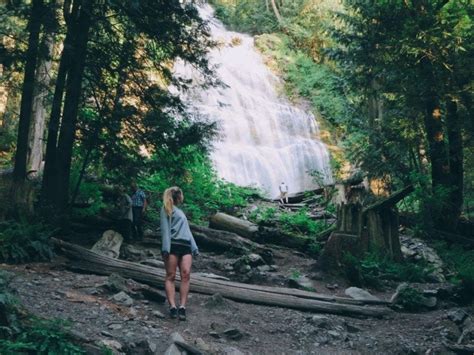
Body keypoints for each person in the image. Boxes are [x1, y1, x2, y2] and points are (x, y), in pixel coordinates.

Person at [160, 186, 199, 321]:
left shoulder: (181, 212)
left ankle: (182, 306)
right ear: (178, 196)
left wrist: (194, 247)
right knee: (170, 275)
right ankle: (172, 306)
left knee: (186, 274)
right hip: (173, 246)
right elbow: (165, 230)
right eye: (182, 195)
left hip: (186, 246)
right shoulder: (167, 208)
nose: (183, 197)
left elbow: (187, 231)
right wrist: (166, 248)